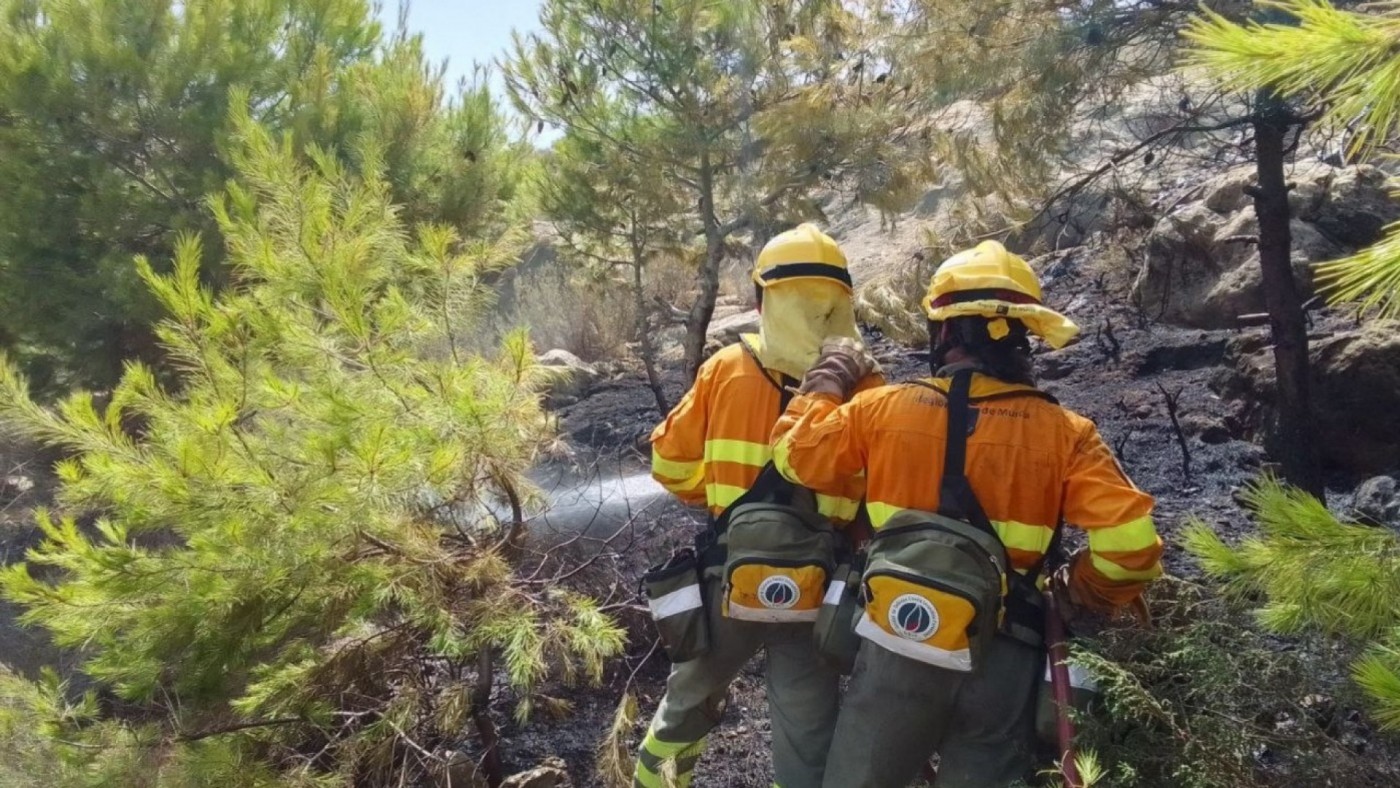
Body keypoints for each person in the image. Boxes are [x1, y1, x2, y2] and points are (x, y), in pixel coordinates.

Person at [771, 240, 1163, 788]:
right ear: (1024, 334)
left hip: (898, 640)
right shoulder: (1068, 434)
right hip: (1005, 656)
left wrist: (825, 382)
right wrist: (1079, 591)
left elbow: (795, 458)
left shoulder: (883, 408)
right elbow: (1132, 549)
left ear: (945, 332)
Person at [636, 224, 882, 788]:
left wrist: (723, 501)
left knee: (686, 704)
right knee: (806, 732)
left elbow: (669, 464)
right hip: (816, 589)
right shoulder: (868, 390)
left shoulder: (725, 368)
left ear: (760, 300)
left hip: (728, 576)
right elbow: (878, 500)